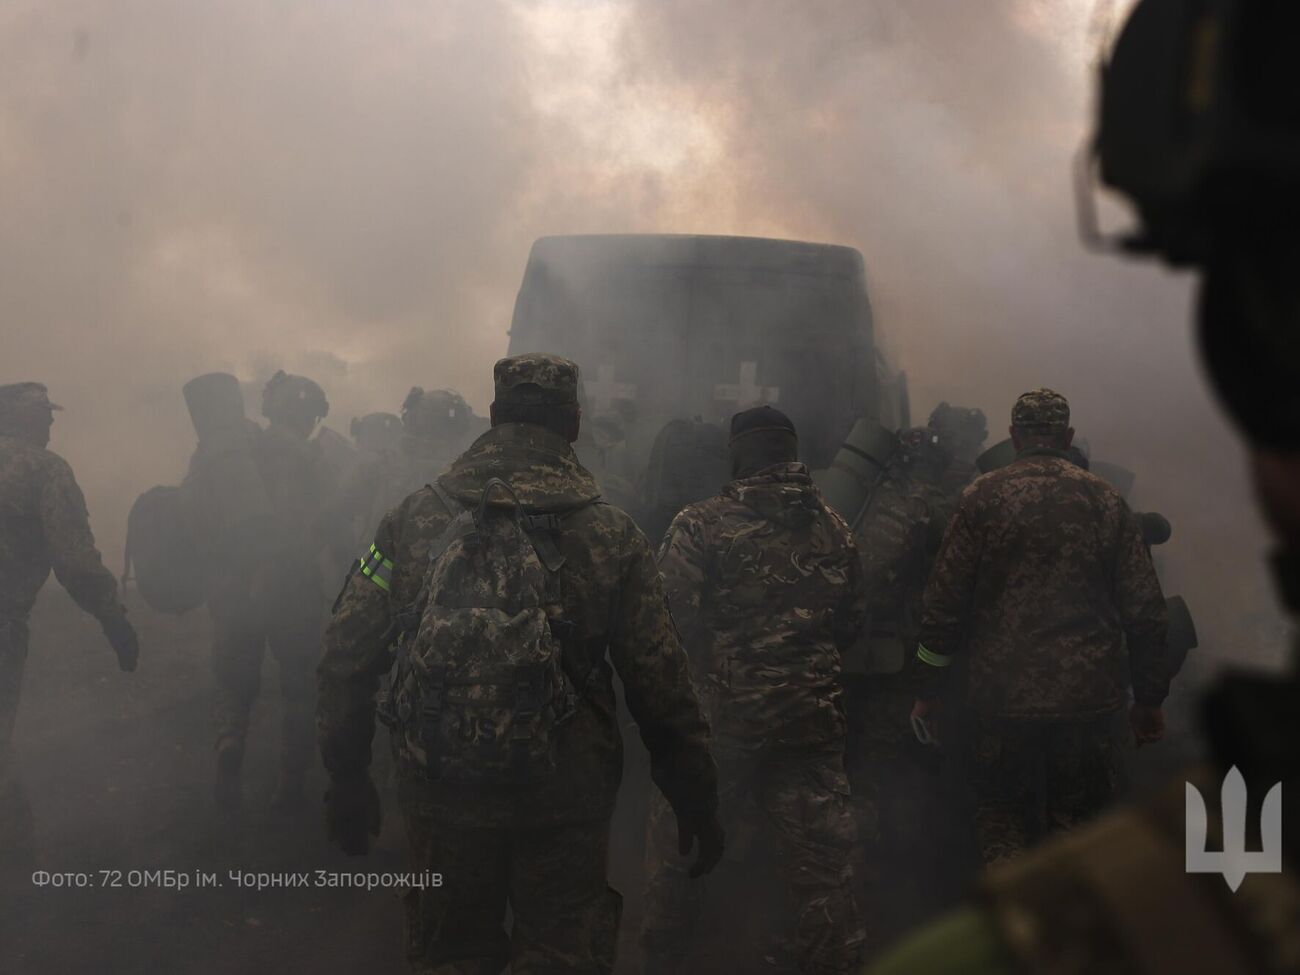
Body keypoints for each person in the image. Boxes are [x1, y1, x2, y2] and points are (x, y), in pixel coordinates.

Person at [318, 353, 722, 974]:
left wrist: (346, 774)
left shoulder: (412, 520)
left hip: (440, 784)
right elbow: (659, 680)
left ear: (493, 417)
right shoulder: (612, 534)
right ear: (576, 425)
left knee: (451, 953)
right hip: (564, 794)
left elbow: (347, 652)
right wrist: (693, 790)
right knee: (561, 955)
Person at [642, 405, 866, 975]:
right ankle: (831, 961)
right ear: (792, 455)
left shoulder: (700, 524)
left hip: (725, 723)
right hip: (810, 722)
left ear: (739, 455)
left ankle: (665, 954)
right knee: (821, 866)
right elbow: (851, 625)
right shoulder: (836, 528)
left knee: (680, 843)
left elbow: (667, 621)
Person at [911, 388, 1171, 865]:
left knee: (1001, 815)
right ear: (1067, 436)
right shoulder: (1106, 501)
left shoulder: (979, 497)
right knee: (1080, 824)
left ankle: (1013, 924)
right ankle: (1071, 930)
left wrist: (930, 688)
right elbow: (1147, 612)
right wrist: (1149, 700)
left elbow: (943, 606)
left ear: (1013, 436)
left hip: (1000, 699)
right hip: (1088, 700)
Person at [0, 382, 138, 865]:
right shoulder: (45, 470)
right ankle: (14, 865)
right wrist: (113, 618)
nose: (53, 423)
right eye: (45, 414)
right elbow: (75, 562)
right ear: (28, 420)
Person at [206, 370, 337, 811]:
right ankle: (289, 782)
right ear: (310, 416)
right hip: (293, 586)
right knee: (299, 688)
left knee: (235, 682)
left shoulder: (242, 450)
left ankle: (230, 741)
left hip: (237, 584)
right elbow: (330, 526)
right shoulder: (312, 460)